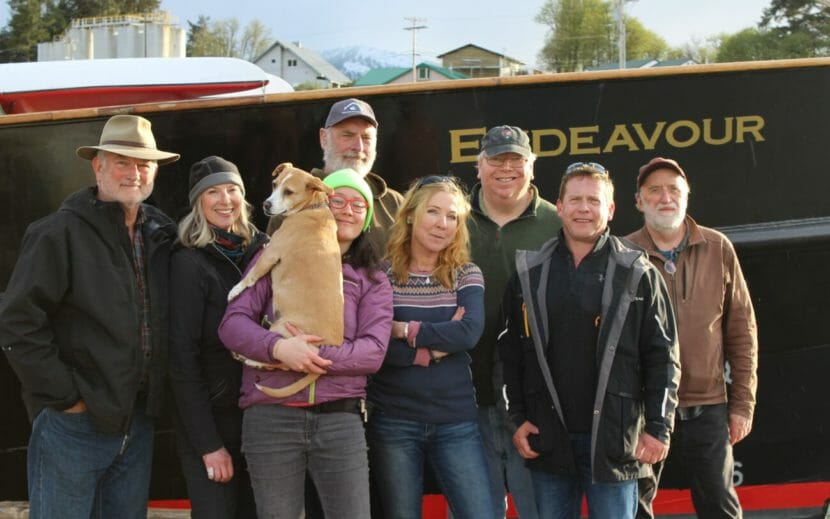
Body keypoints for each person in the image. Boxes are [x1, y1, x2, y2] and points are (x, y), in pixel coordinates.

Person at [0, 115, 179, 519]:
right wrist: (67, 399)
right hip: (74, 426)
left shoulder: (161, 234)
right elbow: (17, 322)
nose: (135, 173)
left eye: (143, 164)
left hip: (138, 423)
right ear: (97, 166)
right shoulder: (58, 233)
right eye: (122, 162)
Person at [498, 162, 681, 519]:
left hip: (616, 443)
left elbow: (664, 357)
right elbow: (509, 354)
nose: (584, 208)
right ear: (560, 207)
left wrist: (658, 428)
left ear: (610, 210)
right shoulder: (529, 275)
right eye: (576, 199)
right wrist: (516, 418)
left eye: (594, 201)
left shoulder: (638, 273)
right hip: (549, 441)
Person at [219, 168, 393, 519]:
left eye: (358, 205)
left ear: (368, 218)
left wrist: (308, 355)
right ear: (319, 199)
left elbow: (372, 352)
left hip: (339, 419)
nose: (346, 209)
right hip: (271, 417)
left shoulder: (372, 278)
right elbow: (232, 325)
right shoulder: (278, 253)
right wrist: (278, 348)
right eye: (337, 199)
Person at [626, 157, 758, 519]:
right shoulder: (621, 255)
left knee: (719, 506)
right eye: (654, 190)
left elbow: (742, 331)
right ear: (639, 201)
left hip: (708, 405)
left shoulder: (718, 247)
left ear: (687, 197)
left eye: (674, 190)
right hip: (643, 409)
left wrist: (742, 404)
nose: (665, 197)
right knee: (634, 507)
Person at [366, 176, 495, 519]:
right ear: (410, 215)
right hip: (394, 420)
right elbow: (375, 348)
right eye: (433, 212)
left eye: (452, 216)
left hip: (455, 420)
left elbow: (468, 333)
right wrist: (431, 349)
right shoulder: (382, 276)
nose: (443, 224)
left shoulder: (466, 274)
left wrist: (405, 329)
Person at [467, 125, 561, 519]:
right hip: (464, 400)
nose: (506, 168)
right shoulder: (451, 219)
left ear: (532, 167)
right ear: (479, 166)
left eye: (516, 159)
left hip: (533, 401)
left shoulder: (558, 224)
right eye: (496, 159)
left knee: (540, 510)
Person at [169, 156, 268, 518]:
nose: (225, 199)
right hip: (213, 422)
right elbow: (181, 358)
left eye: (232, 190)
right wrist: (208, 444)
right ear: (199, 202)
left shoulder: (264, 249)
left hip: (261, 418)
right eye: (213, 192)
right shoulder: (188, 261)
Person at [267, 97, 403, 253]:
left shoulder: (394, 203)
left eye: (366, 138)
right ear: (324, 138)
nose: (358, 147)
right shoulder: (289, 201)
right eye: (347, 135)